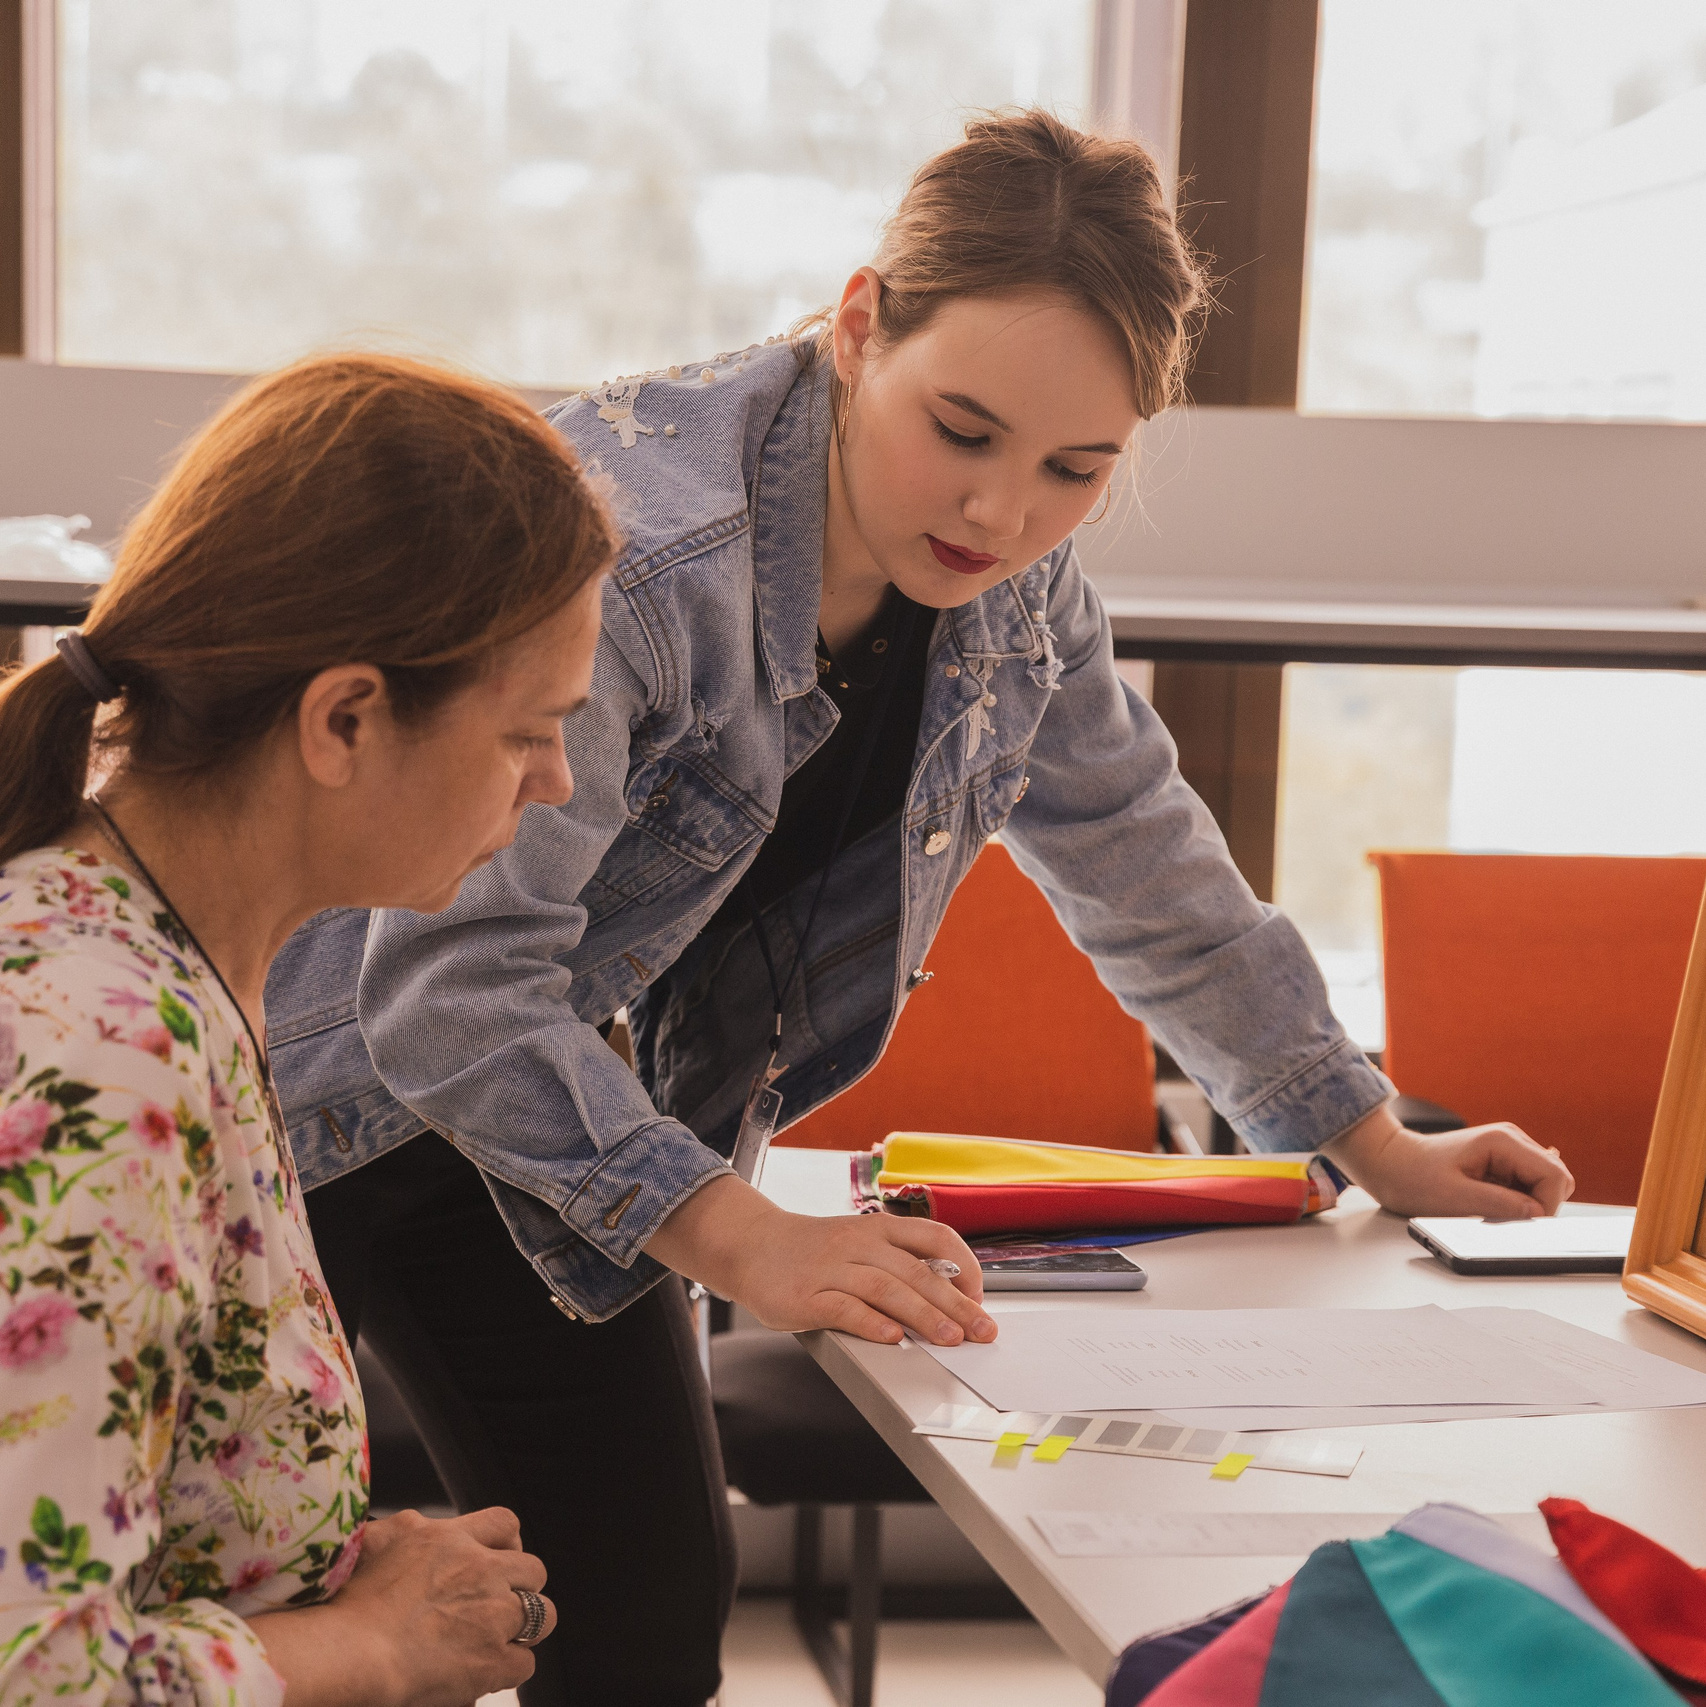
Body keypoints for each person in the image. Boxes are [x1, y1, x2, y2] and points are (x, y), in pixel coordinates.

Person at [267, 110, 1575, 1706]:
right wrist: (752, 1240)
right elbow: (444, 991)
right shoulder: (634, 554)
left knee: (642, 1615)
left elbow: (1143, 854)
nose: (1001, 512)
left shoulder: (1012, 587)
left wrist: (1369, 1140)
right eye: (958, 430)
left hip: (540, 1111)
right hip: (301, 1086)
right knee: (292, 1605)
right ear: (857, 318)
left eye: (1074, 469)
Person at [0, 351, 621, 1705]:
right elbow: (35, 1680)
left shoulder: (182, 958)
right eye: (527, 733)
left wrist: (334, 1567)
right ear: (344, 718)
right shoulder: (95, 1057)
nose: (558, 781)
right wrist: (374, 1644)